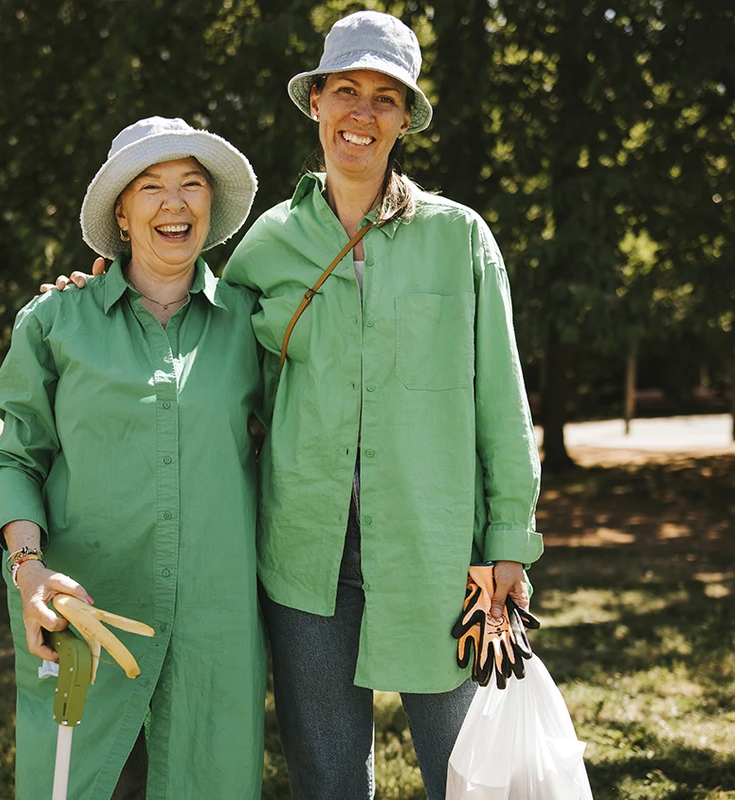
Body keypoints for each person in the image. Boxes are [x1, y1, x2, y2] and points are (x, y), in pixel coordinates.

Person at [47, 13, 543, 797]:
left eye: (385, 97)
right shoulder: (266, 247)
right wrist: (93, 288)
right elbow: (190, 329)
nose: (362, 112)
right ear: (315, 101)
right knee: (328, 777)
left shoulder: (461, 239)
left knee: (469, 771)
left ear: (406, 118)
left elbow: (501, 402)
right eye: (346, 90)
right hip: (303, 560)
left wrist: (509, 543)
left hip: (441, 558)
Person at [0, 117, 266, 799]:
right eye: (152, 187)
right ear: (123, 214)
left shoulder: (254, 325)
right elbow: (16, 457)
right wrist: (28, 567)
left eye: (191, 185)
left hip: (215, 627)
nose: (175, 204)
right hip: (85, 616)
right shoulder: (52, 322)